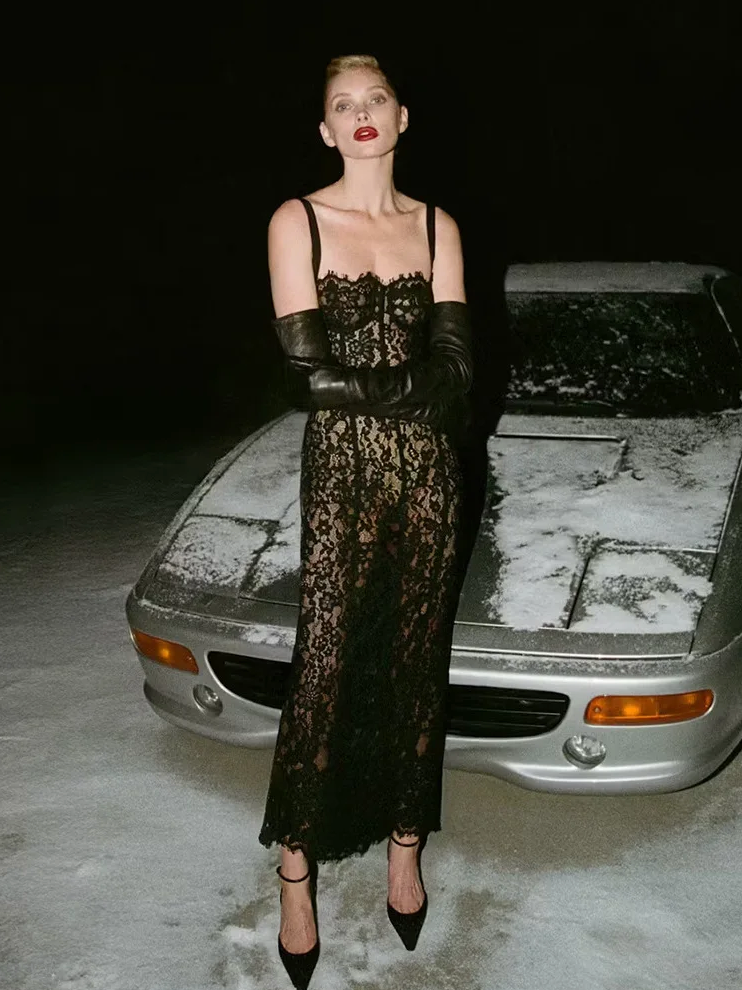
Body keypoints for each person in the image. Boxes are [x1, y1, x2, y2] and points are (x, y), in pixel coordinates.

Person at [257, 54, 473, 989]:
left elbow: (462, 376)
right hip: (341, 476)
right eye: (342, 106)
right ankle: (296, 868)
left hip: (431, 477)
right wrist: (416, 390)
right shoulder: (296, 221)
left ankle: (402, 845)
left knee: (416, 657)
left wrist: (399, 394)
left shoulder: (438, 225)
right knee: (328, 661)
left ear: (402, 114)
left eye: (374, 99)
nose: (361, 116)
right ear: (326, 129)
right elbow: (308, 375)